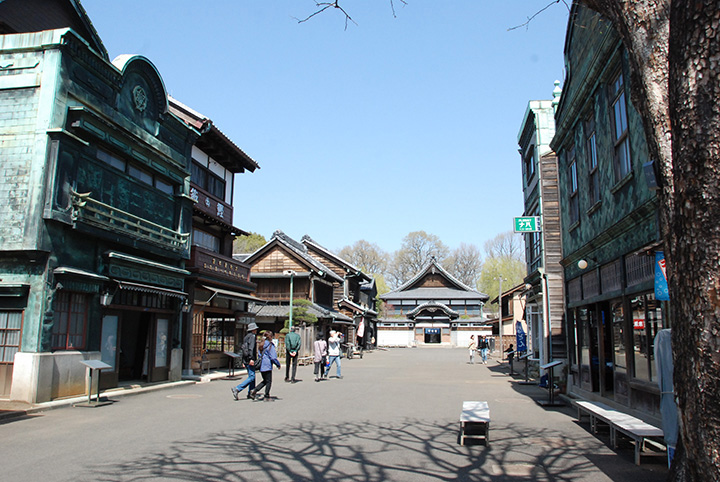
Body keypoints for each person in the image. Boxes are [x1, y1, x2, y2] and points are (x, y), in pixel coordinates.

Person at [250, 330, 281, 401]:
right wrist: (277, 364)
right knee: (268, 381)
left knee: (265, 380)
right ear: (270, 337)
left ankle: (254, 390)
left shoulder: (261, 344)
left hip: (261, 365)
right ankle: (266, 396)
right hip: (267, 365)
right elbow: (273, 357)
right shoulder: (270, 346)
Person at [231, 322, 259, 400]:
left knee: (252, 376)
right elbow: (251, 348)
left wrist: (244, 360)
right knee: (252, 377)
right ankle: (237, 388)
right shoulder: (252, 337)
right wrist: (251, 358)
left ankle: (251, 392)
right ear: (253, 330)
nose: (256, 330)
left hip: (245, 358)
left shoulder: (246, 337)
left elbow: (244, 349)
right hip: (250, 359)